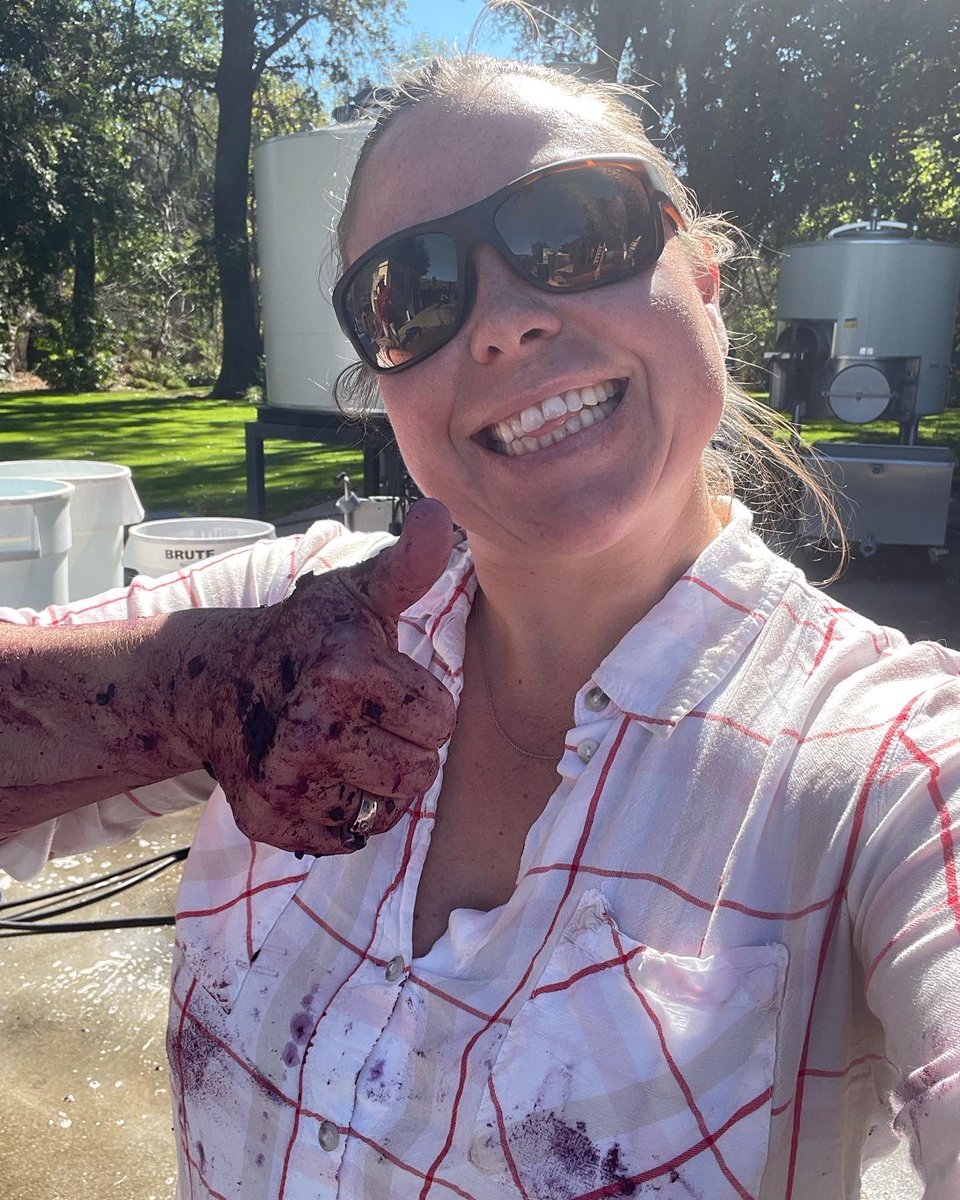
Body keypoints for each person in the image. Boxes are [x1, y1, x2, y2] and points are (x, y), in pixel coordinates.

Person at [1, 54, 958, 1200]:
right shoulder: (286, 620)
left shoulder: (890, 766)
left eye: (575, 229)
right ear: (382, 385)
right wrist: (184, 693)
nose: (502, 322)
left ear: (704, 281)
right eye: (415, 291)